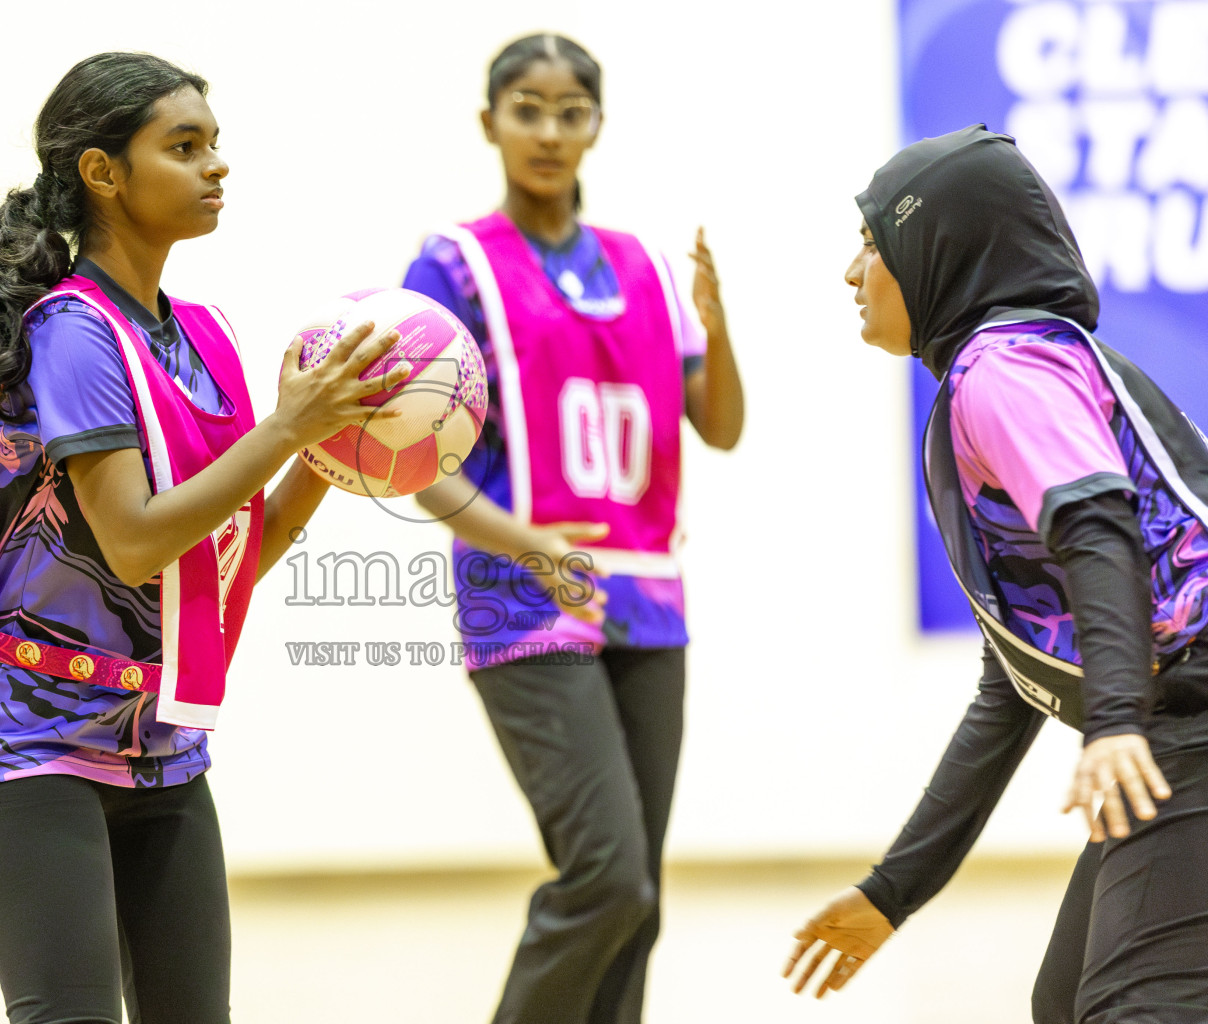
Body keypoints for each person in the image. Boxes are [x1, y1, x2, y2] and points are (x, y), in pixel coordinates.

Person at [0, 52, 408, 1024]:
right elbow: (135, 541)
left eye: (214, 144)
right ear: (103, 171)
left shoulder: (206, 339)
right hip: (30, 742)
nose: (215, 165)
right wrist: (286, 431)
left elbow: (215, 575)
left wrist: (325, 461)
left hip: (161, 747)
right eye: (183, 147)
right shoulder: (73, 332)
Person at [784, 124, 1208, 1023]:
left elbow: (1102, 529)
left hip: (1189, 724)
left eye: (870, 241)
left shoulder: (1003, 370)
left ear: (936, 248)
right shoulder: (1018, 364)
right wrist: (894, 891)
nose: (850, 271)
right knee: (1066, 1003)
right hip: (1176, 724)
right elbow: (1011, 684)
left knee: (1134, 1007)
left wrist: (1120, 721)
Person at [403, 33, 744, 1024]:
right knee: (608, 873)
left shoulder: (640, 266)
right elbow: (416, 459)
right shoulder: (453, 266)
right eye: (526, 107)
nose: (549, 130)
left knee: (641, 906)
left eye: (570, 111)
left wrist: (720, 329)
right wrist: (528, 545)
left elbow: (717, 427)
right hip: (526, 593)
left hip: (648, 596)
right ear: (489, 122)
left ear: (596, 124)